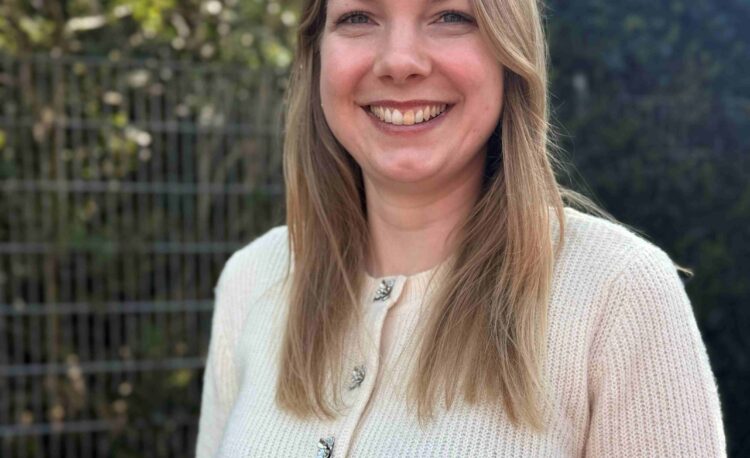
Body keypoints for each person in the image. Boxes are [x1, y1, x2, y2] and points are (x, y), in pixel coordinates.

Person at [195, 0, 726, 456]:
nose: (399, 61)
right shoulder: (252, 281)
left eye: (450, 15)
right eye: (358, 17)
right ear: (315, 56)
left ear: (509, 52)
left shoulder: (616, 292)